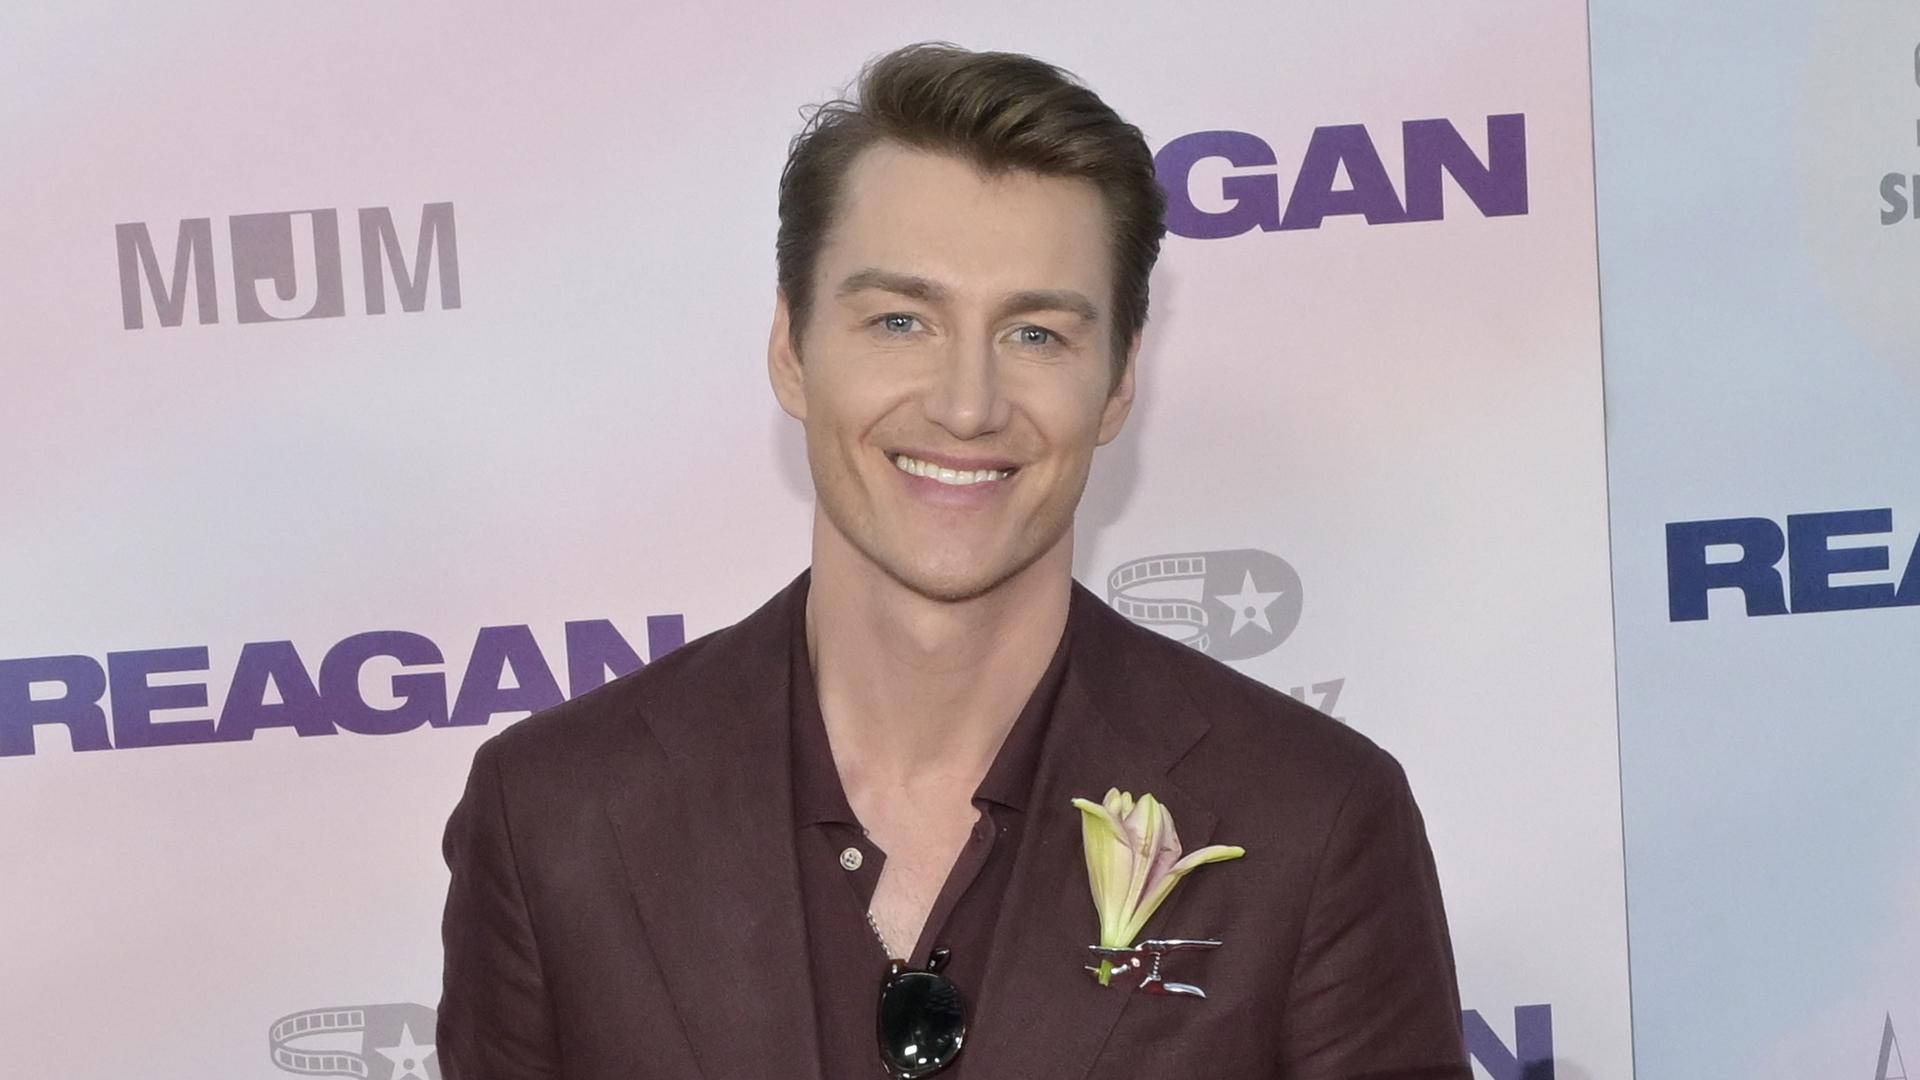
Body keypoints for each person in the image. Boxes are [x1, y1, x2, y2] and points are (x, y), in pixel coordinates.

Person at [437, 42, 1468, 1080]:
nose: (967, 404)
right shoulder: (555, 816)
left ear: (1118, 383)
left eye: (1036, 334)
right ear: (792, 349)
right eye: (901, 321)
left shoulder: (1311, 821)